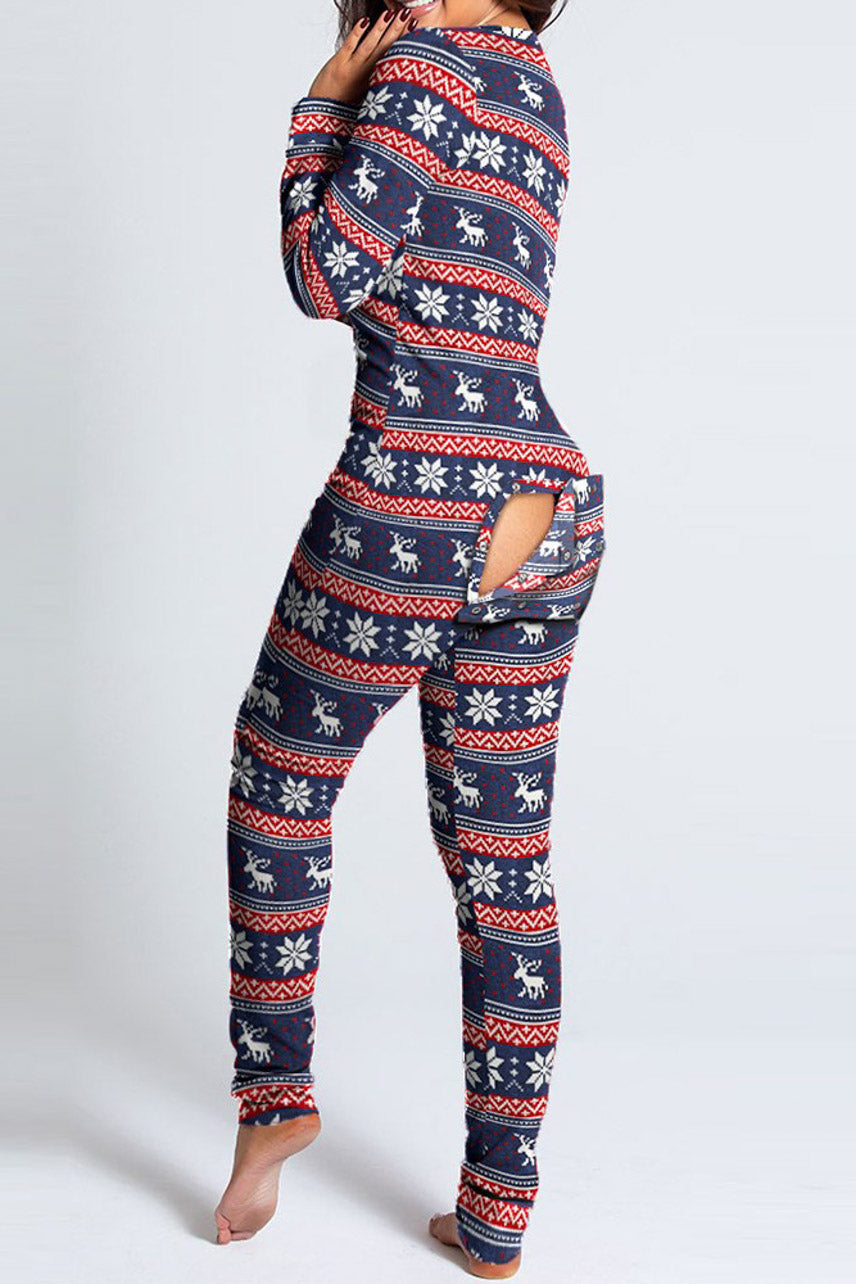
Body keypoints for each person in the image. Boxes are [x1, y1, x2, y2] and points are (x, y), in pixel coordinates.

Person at [214, 1, 605, 1276]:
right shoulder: (536, 86)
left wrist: (324, 102)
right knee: (504, 865)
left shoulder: (427, 63)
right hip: (551, 500)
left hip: (419, 498)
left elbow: (324, 275)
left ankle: (274, 1105)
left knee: (279, 781)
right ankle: (496, 1215)